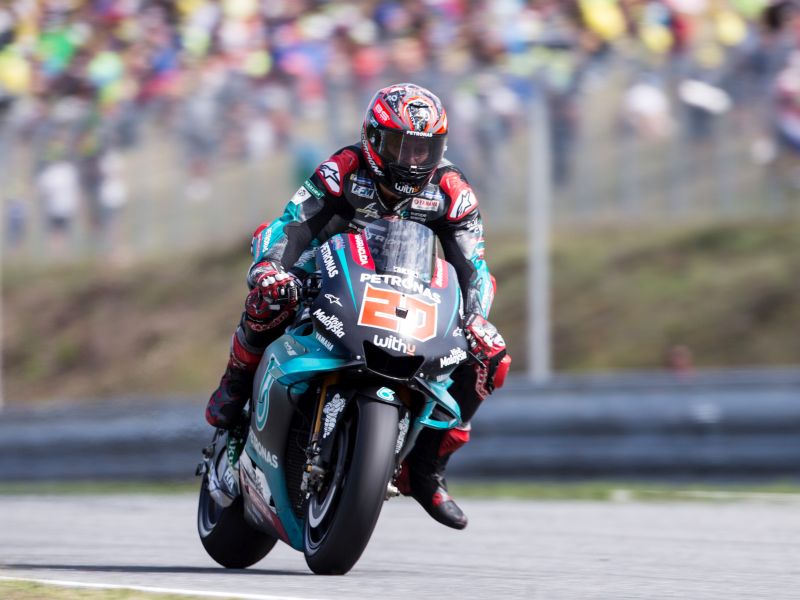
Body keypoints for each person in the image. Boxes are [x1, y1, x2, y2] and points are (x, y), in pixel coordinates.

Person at [206, 83, 510, 530]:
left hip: (406, 291)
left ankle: (425, 470)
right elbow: (294, 225)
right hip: (327, 269)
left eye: (423, 150)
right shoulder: (343, 170)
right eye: (400, 146)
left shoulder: (452, 191)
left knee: (490, 357)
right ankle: (235, 386)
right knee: (272, 297)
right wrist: (273, 268)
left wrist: (476, 317)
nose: (411, 160)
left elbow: (472, 265)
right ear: (372, 139)